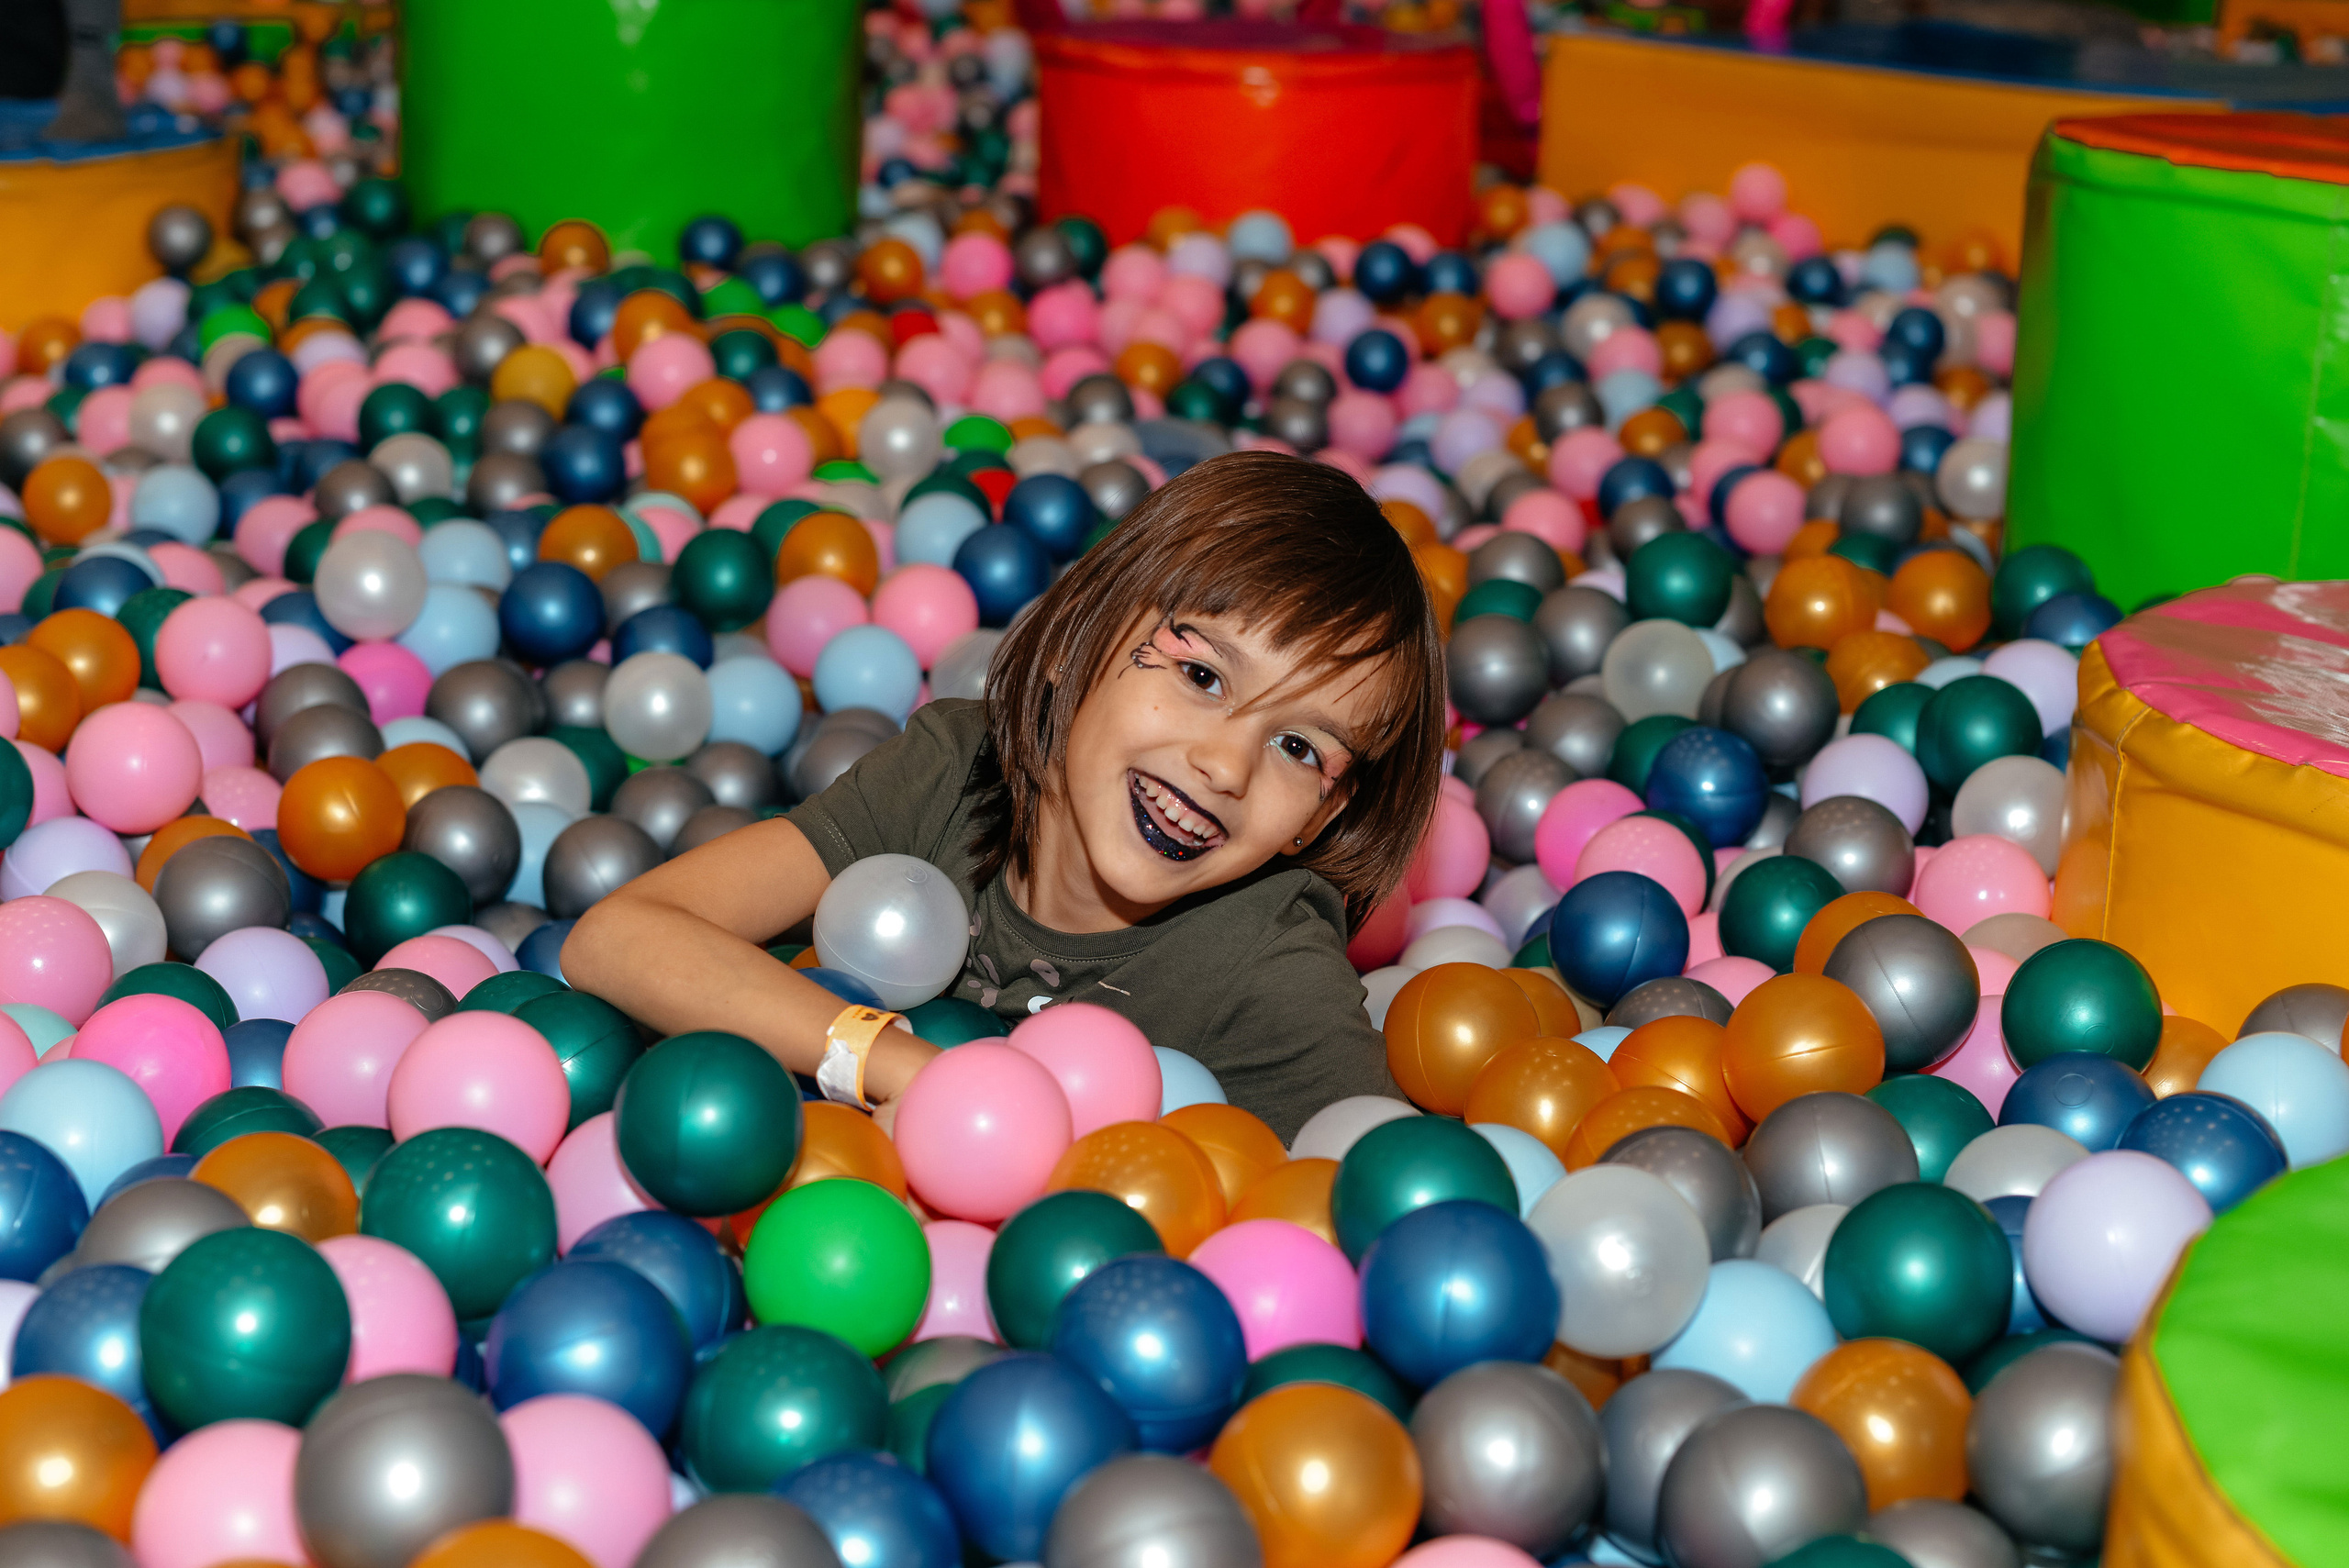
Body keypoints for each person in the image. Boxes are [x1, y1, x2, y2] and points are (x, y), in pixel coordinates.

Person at [566, 450, 1443, 1141]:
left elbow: (1385, 1218)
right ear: (1077, 638)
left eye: (1297, 747)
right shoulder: (956, 771)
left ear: (1322, 815)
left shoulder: (1268, 970)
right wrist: (908, 1070)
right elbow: (617, 936)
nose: (1225, 766)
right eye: (1202, 674)